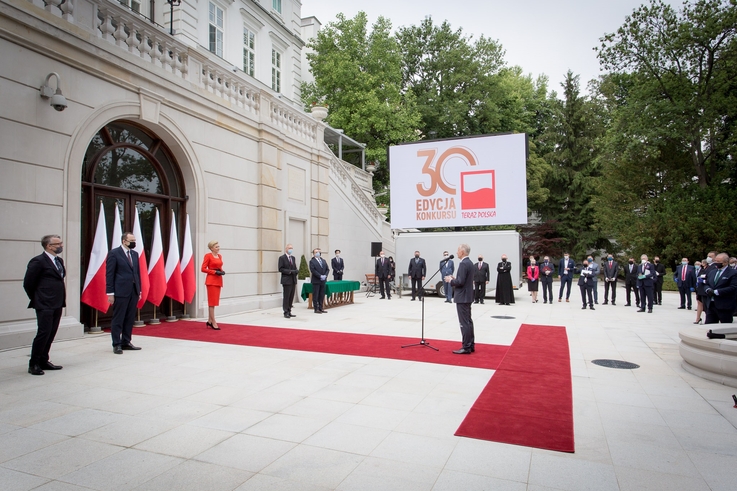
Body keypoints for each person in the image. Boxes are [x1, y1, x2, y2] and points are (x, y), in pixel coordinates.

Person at [23, 235, 66, 375]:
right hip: (44, 303)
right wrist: (38, 298)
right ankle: (33, 363)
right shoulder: (38, 261)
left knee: (51, 333)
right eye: (58, 244)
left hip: (57, 303)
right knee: (43, 333)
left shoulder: (59, 260)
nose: (61, 245)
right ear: (49, 246)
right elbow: (28, 284)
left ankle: (43, 360)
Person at [107, 232, 142, 354]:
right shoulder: (114, 253)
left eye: (134, 240)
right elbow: (110, 274)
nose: (134, 242)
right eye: (131, 240)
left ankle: (126, 341)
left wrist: (139, 290)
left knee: (129, 317)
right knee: (119, 318)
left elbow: (137, 273)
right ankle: (116, 343)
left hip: (133, 291)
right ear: (124, 241)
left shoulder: (135, 254)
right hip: (120, 291)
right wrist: (110, 293)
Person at [444, 244, 475, 354]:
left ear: (462, 252)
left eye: (458, 250)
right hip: (468, 296)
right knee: (468, 321)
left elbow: (461, 282)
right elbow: (464, 280)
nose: (456, 252)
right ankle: (471, 344)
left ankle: (466, 346)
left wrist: (450, 281)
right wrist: (455, 279)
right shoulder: (470, 263)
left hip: (462, 296)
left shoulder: (463, 264)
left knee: (464, 323)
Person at [704, 253, 737, 324]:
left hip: (725, 306)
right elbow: (706, 283)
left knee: (725, 328)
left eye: (718, 262)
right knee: (709, 327)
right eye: (715, 261)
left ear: (725, 262)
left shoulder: (733, 273)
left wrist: (716, 292)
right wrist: (707, 289)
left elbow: (733, 287)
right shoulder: (712, 272)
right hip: (711, 305)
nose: (716, 263)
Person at [201, 240, 225, 329]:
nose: (218, 248)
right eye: (216, 247)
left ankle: (209, 321)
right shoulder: (208, 256)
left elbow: (219, 266)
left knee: (214, 302)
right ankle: (213, 321)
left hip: (218, 280)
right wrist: (214, 272)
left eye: (218, 246)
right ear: (211, 248)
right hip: (211, 281)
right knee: (212, 302)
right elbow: (203, 269)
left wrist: (221, 271)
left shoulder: (219, 256)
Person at [278, 244, 298, 319]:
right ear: (286, 249)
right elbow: (281, 269)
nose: (291, 249)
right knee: (286, 296)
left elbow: (295, 267)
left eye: (292, 248)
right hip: (286, 280)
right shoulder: (282, 258)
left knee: (291, 297)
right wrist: (290, 271)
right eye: (289, 248)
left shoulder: (293, 258)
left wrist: (296, 271)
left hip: (293, 280)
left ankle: (289, 310)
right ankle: (285, 311)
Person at [309, 248, 329, 313]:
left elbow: (327, 269)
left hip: (323, 281)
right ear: (314, 254)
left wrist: (325, 275)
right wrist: (320, 276)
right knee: (316, 295)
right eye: (316, 252)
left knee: (321, 294)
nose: (318, 253)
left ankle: (321, 307)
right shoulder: (312, 261)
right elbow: (313, 270)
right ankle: (316, 308)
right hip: (316, 280)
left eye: (319, 252)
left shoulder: (323, 260)